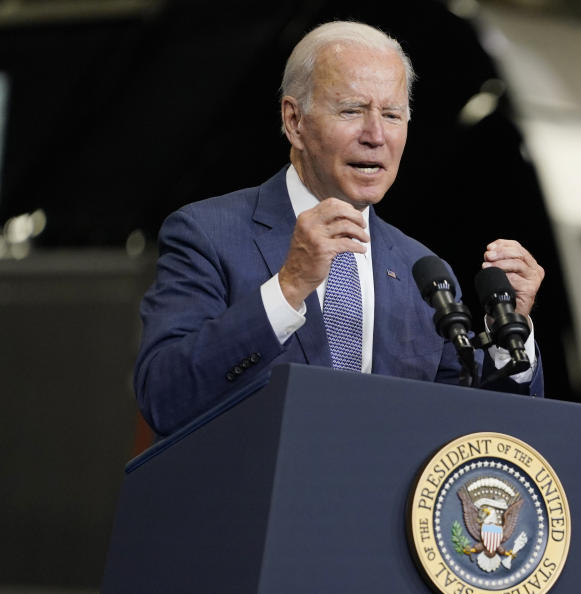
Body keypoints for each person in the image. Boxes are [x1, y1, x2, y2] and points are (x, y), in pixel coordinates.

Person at [134, 21, 545, 437]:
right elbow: (165, 398)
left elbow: (475, 438)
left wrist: (509, 332)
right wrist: (289, 286)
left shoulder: (423, 269)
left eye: (391, 114)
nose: (375, 135)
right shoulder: (206, 234)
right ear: (294, 122)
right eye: (351, 110)